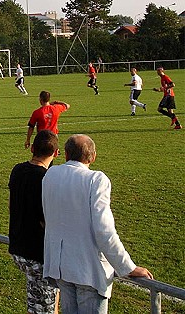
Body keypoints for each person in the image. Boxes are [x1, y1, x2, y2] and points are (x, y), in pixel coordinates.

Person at [42, 134, 153, 313]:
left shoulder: (51, 174)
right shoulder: (96, 180)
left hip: (61, 266)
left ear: (66, 154)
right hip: (88, 270)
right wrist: (128, 267)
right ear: (93, 157)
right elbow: (104, 231)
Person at [9, 130, 60, 314]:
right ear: (56, 153)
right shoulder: (48, 179)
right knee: (43, 307)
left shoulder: (17, 170)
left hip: (17, 247)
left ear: (32, 148)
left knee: (44, 300)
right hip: (37, 254)